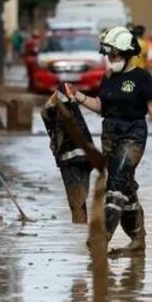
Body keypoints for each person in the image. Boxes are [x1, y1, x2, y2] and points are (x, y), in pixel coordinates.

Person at [65, 26, 152, 256]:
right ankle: (137, 240)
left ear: (127, 53)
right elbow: (102, 107)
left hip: (133, 134)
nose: (111, 60)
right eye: (109, 55)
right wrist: (79, 97)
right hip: (110, 135)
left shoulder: (142, 78)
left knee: (116, 183)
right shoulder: (108, 77)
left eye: (114, 55)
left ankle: (101, 237)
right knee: (126, 187)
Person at [40, 86, 94, 223]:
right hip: (85, 159)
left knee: (77, 204)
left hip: (72, 161)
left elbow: (46, 113)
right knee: (80, 201)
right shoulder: (73, 114)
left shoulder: (60, 117)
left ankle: (80, 227)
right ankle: (81, 228)